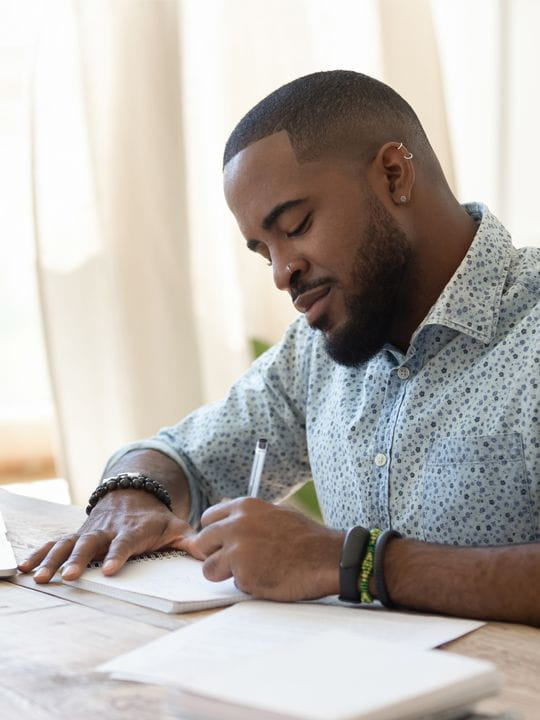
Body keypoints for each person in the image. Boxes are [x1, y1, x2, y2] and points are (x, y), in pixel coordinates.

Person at [20, 70, 540, 626]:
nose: (280, 271)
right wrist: (129, 496)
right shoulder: (317, 353)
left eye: (295, 225)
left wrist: (350, 561)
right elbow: (181, 456)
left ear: (393, 174)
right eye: (262, 250)